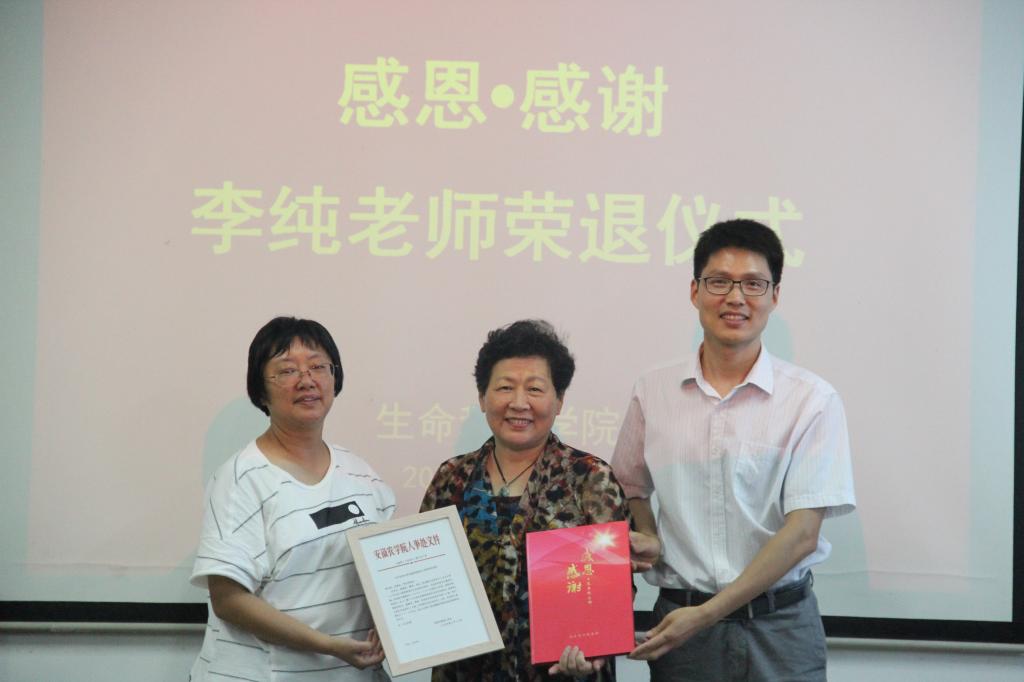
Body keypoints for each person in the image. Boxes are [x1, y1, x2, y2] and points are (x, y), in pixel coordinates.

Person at [612, 219, 856, 681]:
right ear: (695, 290)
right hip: (681, 627)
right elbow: (628, 486)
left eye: (753, 284)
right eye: (719, 281)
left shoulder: (812, 400)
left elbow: (802, 534)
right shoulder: (653, 391)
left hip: (780, 629)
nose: (736, 297)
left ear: (775, 296)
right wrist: (649, 534)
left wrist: (707, 615)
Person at [419, 320, 630, 681]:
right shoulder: (452, 477)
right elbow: (425, 576)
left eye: (534, 389)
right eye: (504, 387)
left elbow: (613, 589)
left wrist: (594, 647)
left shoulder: (589, 478)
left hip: (560, 673)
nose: (519, 403)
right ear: (482, 398)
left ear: (559, 400)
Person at [189, 317, 395, 682]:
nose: (306, 380)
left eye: (318, 366)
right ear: (260, 391)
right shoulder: (242, 478)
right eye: (286, 370)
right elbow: (228, 599)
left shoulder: (362, 475)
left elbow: (390, 575)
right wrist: (327, 645)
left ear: (335, 378)